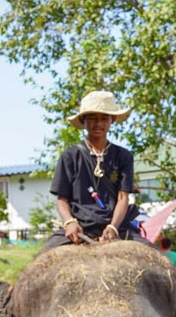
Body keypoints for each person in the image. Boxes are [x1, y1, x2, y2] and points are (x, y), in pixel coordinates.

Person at [45, 89, 141, 251]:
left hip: (117, 226)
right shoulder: (70, 156)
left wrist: (113, 227)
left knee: (153, 257)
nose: (98, 123)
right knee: (42, 261)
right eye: (92, 118)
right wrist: (70, 222)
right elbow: (62, 200)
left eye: (104, 118)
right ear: (83, 121)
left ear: (113, 120)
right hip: (80, 226)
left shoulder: (124, 156)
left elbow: (123, 198)